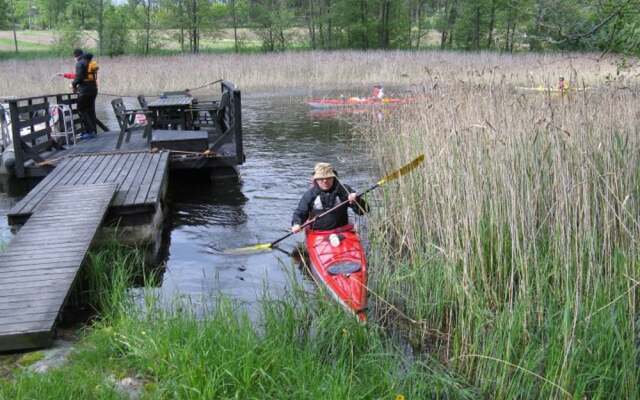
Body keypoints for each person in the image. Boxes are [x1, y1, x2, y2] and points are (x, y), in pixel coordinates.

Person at [291, 162, 368, 233]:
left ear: (334, 177)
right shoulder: (310, 194)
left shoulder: (344, 190)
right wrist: (296, 224)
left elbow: (364, 211)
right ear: (316, 180)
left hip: (342, 231)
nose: (325, 181)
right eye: (321, 178)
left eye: (328, 178)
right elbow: (300, 212)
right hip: (317, 233)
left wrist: (356, 200)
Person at [59, 49, 98, 138]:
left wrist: (73, 84)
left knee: (81, 109)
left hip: (85, 91)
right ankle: (93, 131)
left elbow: (79, 77)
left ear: (76, 56)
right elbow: (84, 76)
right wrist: (66, 75)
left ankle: (89, 132)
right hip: (93, 89)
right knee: (90, 110)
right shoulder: (89, 61)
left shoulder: (80, 63)